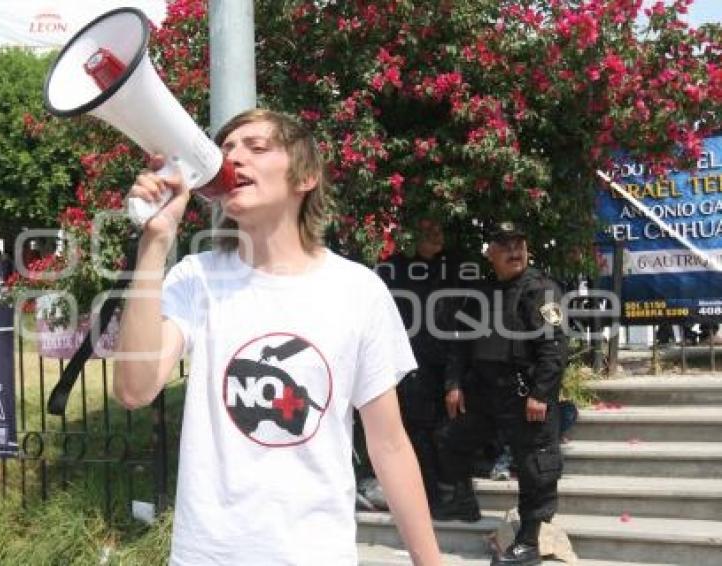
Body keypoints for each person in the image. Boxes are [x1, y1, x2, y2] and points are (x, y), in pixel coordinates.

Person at [113, 109, 442, 565]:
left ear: (305, 177)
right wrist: (156, 241)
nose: (233, 159)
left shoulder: (358, 290)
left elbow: (388, 445)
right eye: (226, 150)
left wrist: (430, 561)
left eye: (257, 147)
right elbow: (134, 389)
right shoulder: (196, 279)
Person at [436, 221, 567, 566]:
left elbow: (554, 348)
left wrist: (541, 394)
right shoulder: (481, 293)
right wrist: (454, 384)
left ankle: (528, 543)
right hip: (484, 393)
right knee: (451, 438)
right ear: (490, 253)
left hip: (525, 396)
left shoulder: (541, 290)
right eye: (505, 245)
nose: (514, 251)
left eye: (519, 244)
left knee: (535, 466)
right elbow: (460, 344)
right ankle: (460, 502)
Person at [378, 216, 460, 517]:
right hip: (410, 364)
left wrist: (455, 376)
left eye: (439, 230)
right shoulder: (393, 270)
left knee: (444, 429)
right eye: (429, 230)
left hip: (445, 361)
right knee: (418, 430)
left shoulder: (451, 268)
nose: (437, 236)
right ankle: (429, 495)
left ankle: (450, 492)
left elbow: (457, 321)